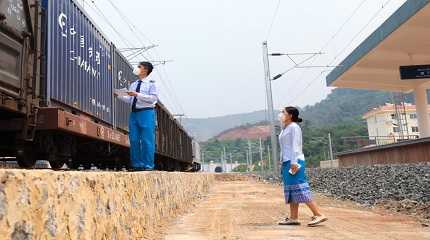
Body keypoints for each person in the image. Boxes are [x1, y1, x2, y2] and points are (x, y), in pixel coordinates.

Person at [277, 106, 327, 226]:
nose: (281, 115)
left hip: (294, 161)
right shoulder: (285, 128)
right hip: (287, 162)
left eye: (283, 113)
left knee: (299, 187)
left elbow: (295, 146)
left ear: (290, 115)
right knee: (291, 189)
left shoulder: (294, 127)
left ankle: (319, 214)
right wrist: (282, 161)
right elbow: (284, 148)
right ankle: (294, 217)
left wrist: (294, 162)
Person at [115, 61, 158, 171]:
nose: (137, 68)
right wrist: (119, 96)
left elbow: (153, 99)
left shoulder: (151, 84)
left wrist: (137, 94)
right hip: (134, 113)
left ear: (145, 70)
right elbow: (130, 100)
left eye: (139, 67)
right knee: (133, 139)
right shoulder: (134, 84)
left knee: (146, 140)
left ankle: (148, 165)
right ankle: (136, 165)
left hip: (147, 113)